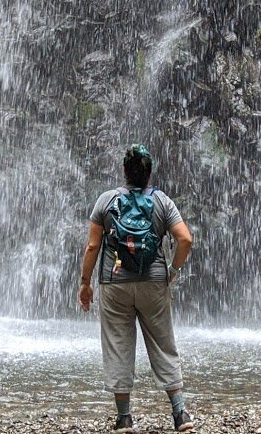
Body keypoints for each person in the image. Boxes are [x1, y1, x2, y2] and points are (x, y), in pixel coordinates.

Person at [79, 144, 196, 431]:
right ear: (149, 173)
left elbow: (93, 246)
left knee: (118, 345)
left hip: (114, 283)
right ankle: (180, 413)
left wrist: (85, 283)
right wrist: (173, 271)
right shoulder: (162, 201)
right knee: (163, 343)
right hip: (154, 282)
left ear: (124, 172)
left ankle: (124, 418)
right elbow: (185, 240)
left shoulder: (107, 201)